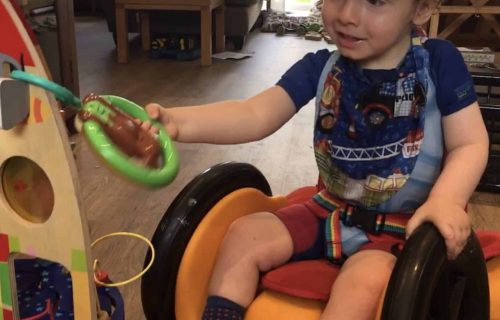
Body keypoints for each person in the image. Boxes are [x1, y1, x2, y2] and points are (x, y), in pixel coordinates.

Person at [140, 0, 489, 317]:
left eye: (376, 1)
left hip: (404, 229)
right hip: (329, 211)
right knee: (244, 234)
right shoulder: (321, 67)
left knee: (362, 283)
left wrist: (446, 200)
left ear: (422, 8)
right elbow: (254, 114)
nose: (348, 15)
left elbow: (469, 144)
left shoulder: (439, 62)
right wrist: (178, 122)